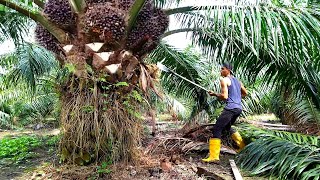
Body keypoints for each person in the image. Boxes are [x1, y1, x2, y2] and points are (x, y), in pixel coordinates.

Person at [202, 63, 248, 163]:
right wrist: (236, 97)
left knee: (217, 128)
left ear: (228, 70)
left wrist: (215, 94)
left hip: (231, 108)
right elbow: (245, 93)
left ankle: (214, 156)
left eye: (222, 69)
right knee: (227, 127)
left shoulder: (224, 80)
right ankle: (243, 147)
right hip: (238, 108)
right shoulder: (238, 81)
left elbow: (224, 96)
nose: (221, 71)